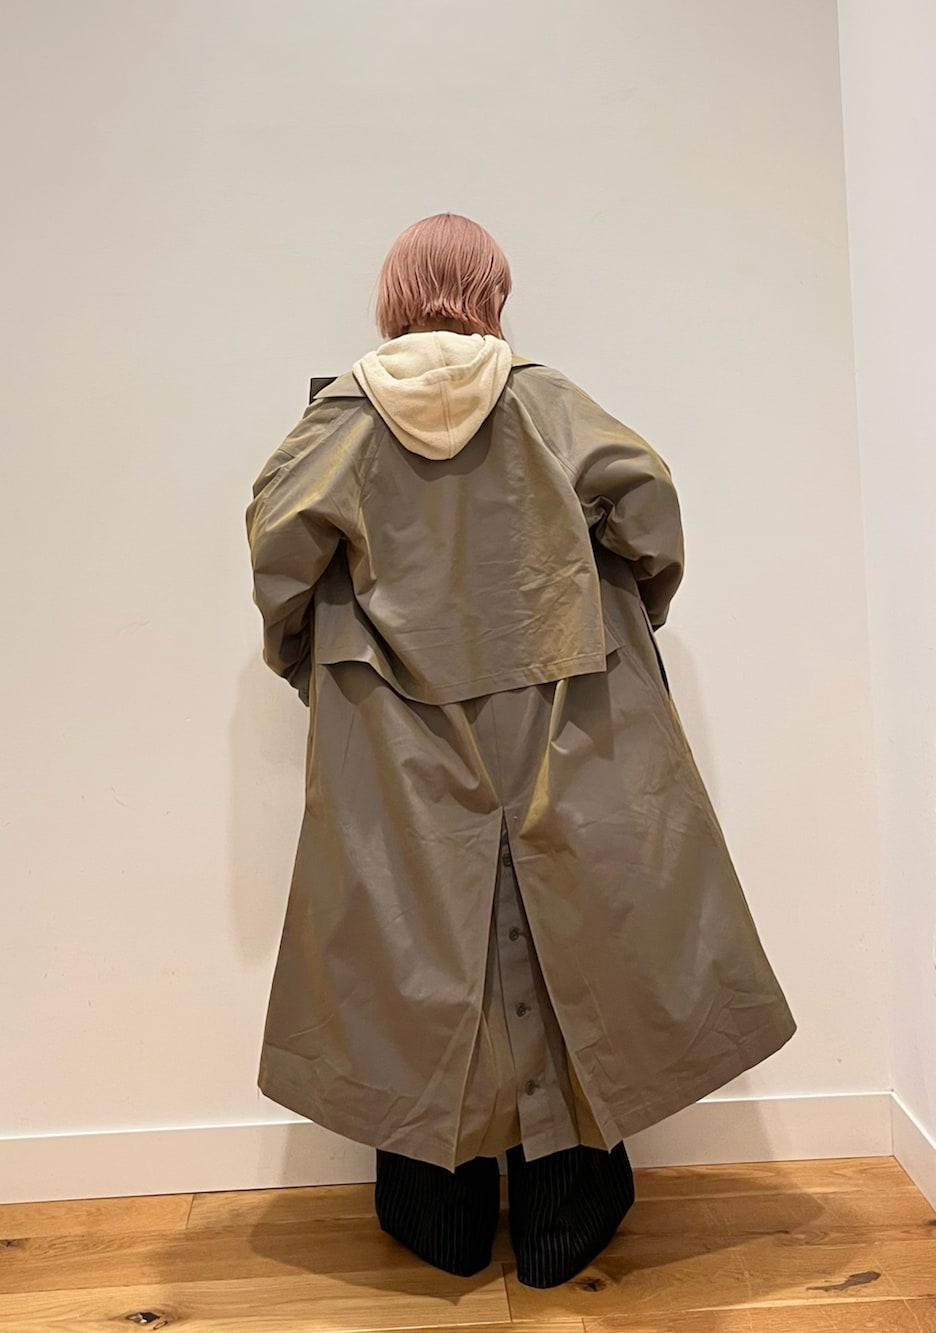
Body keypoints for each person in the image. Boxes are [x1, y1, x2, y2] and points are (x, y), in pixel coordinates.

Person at [244, 212, 797, 1288]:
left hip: (391, 715)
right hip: (562, 694)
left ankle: (436, 1214)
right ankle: (564, 1215)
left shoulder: (339, 418)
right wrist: (629, 605)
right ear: (493, 293)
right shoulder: (546, 401)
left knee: (409, 941)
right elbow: (649, 504)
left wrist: (307, 654)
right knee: (573, 927)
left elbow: (278, 551)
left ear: (392, 297)